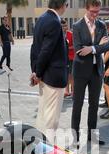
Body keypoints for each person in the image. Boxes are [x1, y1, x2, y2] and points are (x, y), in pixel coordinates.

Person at [71, 0, 109, 146]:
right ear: (86, 9)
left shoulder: (101, 25)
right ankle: (75, 138)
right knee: (77, 105)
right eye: (93, 11)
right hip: (80, 71)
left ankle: (92, 136)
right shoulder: (77, 26)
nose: (95, 14)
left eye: (97, 12)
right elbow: (78, 49)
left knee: (94, 105)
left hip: (96, 72)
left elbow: (108, 45)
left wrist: (92, 49)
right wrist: (97, 46)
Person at [30, 0, 68, 142]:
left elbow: (35, 48)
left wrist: (35, 71)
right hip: (53, 77)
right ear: (63, 5)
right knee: (51, 118)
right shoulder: (54, 22)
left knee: (43, 114)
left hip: (44, 75)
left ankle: (39, 146)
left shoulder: (41, 19)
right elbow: (46, 51)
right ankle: (47, 152)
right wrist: (37, 73)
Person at [61, 19, 74, 98]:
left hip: (71, 57)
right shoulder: (58, 35)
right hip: (63, 58)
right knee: (65, 75)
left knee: (71, 75)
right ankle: (66, 91)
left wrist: (67, 47)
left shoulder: (71, 34)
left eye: (65, 26)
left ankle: (73, 92)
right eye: (62, 26)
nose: (64, 27)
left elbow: (75, 45)